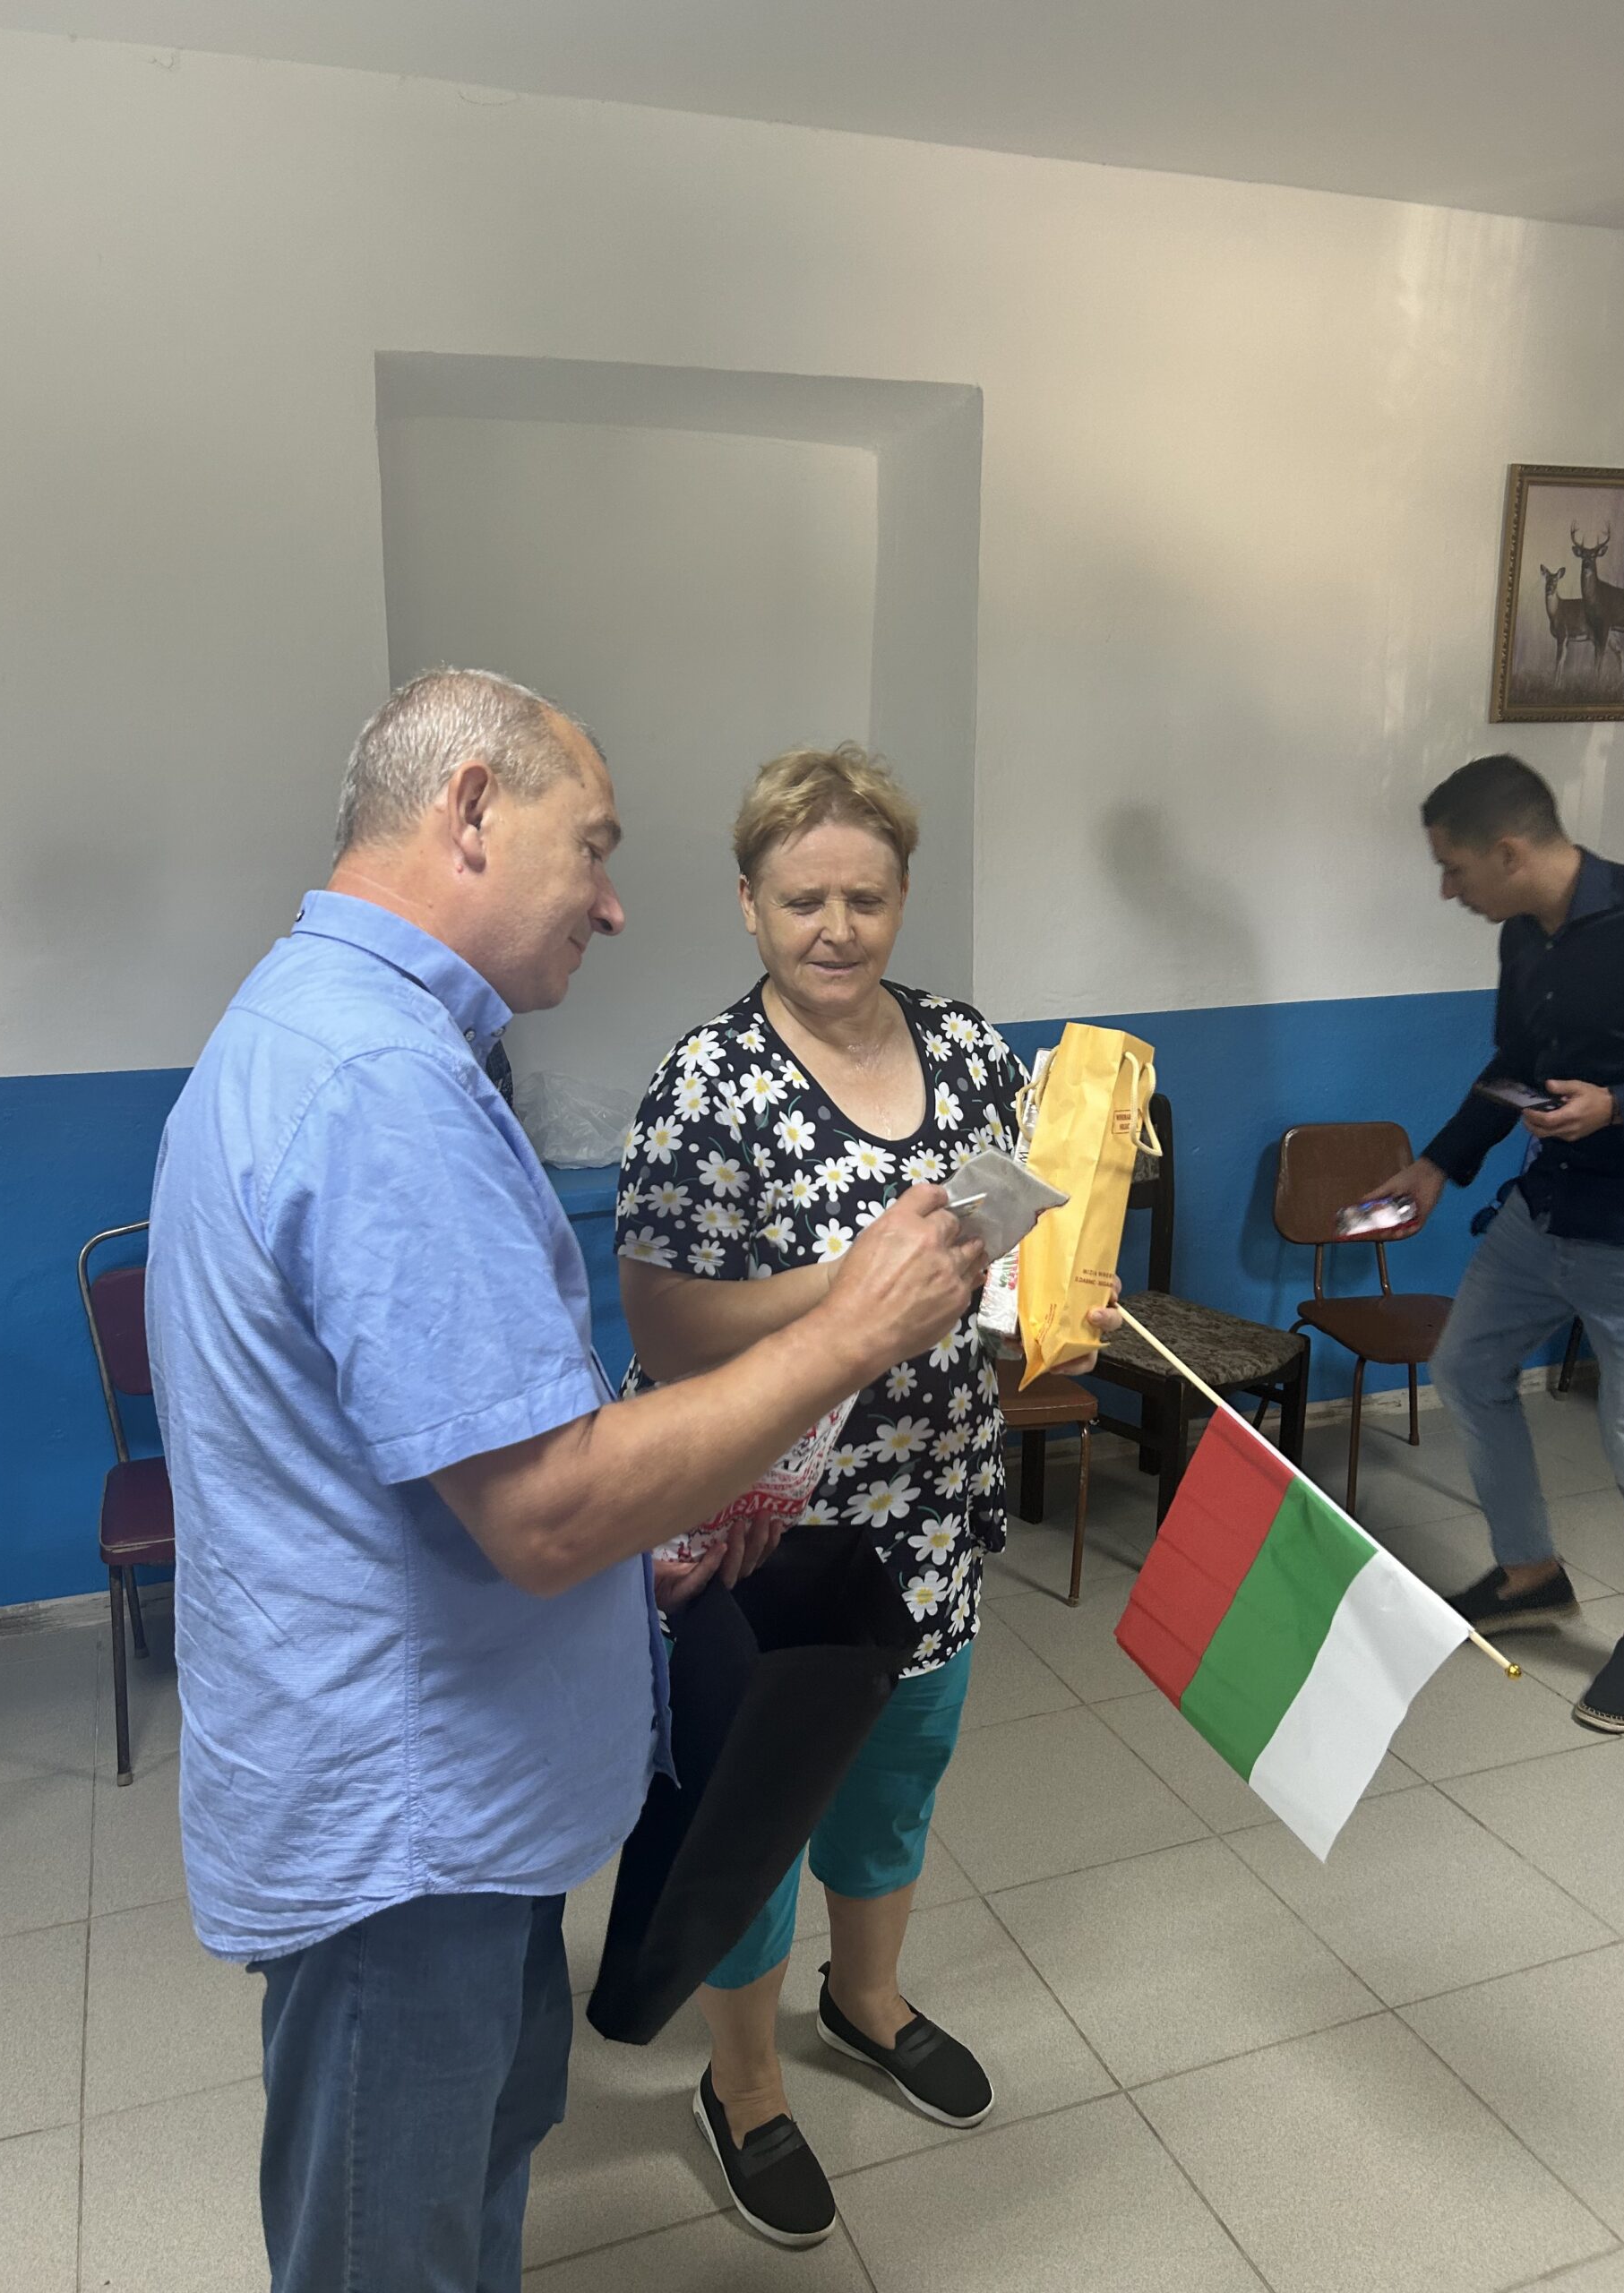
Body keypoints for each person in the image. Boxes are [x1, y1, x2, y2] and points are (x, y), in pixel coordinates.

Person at [144, 674, 987, 2293]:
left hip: (435, 1804)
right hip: (410, 1841)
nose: (611, 901)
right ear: (472, 809)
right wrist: (850, 1328)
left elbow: (442, 1462)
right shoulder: (379, 1087)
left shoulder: (338, 1028)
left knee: (466, 2202)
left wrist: (617, 1558)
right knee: (395, 2252)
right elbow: (541, 1509)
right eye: (592, 846)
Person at [615, 743, 1120, 2247]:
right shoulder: (708, 1086)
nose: (835, 929)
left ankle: (869, 1999)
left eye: (866, 898)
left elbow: (1012, 1253)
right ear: (748, 902)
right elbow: (664, 1330)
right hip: (773, 1535)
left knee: (896, 1784)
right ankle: (745, 2084)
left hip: (934, 1515)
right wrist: (858, 1285)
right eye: (801, 900)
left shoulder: (967, 1049)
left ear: (903, 896)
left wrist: (1057, 1303)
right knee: (759, 1817)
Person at [1378, 752, 1624, 1733]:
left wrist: (1623, 1105)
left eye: (1454, 868)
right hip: (1541, 1210)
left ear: (1509, 852)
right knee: (1466, 1368)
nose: (1447, 890)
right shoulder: (1524, 934)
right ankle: (1530, 1574)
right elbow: (1517, 1062)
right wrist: (1438, 1163)